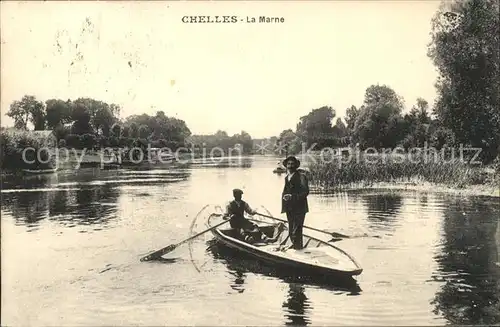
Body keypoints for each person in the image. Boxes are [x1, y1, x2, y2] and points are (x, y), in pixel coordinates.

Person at [281, 156, 309, 250]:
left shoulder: (302, 176)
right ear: (286, 165)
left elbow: (305, 192)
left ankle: (298, 249)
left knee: (297, 230)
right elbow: (286, 191)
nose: (290, 166)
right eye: (288, 164)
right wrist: (285, 199)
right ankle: (296, 248)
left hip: (300, 208)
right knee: (291, 230)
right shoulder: (286, 177)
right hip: (289, 208)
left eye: (292, 164)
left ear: (296, 165)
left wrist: (292, 197)